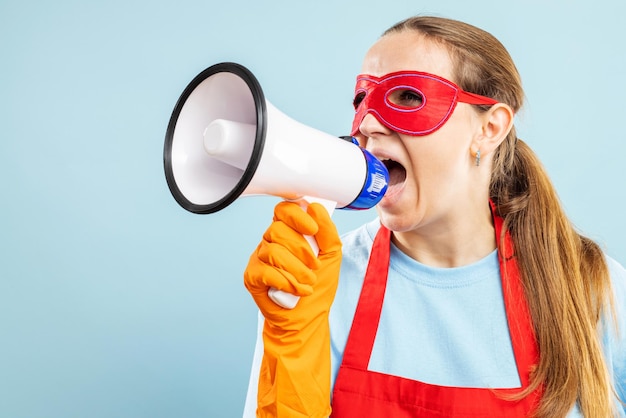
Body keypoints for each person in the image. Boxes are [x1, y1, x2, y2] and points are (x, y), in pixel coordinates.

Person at [242, 15, 626, 418]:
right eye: (361, 100)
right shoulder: (317, 283)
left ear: (490, 128)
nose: (368, 123)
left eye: (407, 97)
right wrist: (288, 339)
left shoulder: (593, 288)